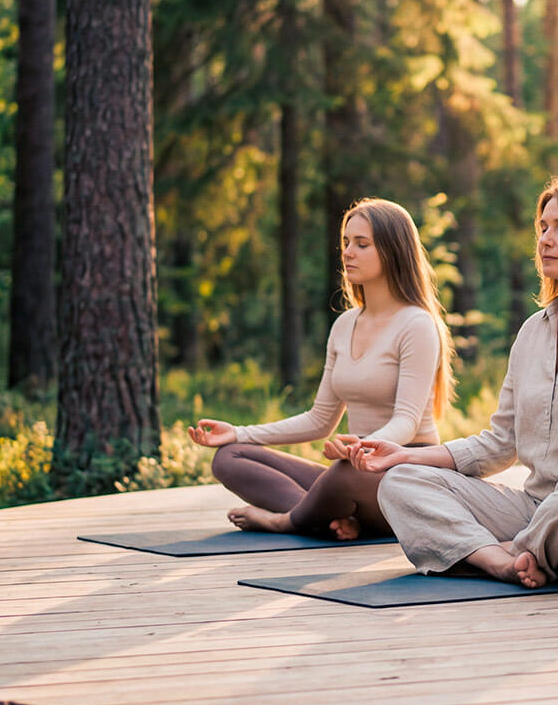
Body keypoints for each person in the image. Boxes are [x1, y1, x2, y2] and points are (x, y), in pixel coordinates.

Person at [349, 175, 558, 589]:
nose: (545, 239)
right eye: (542, 228)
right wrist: (405, 455)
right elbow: (498, 444)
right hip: (538, 508)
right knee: (401, 484)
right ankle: (500, 560)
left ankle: (506, 547)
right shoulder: (532, 332)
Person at [188, 198, 453, 540]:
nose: (347, 253)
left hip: (404, 472)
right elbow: (319, 420)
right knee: (229, 458)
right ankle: (330, 519)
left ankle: (286, 520)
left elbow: (406, 422)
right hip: (353, 469)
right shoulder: (344, 325)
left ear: (392, 251)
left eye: (362, 244)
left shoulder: (416, 324)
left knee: (342, 473)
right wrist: (239, 432)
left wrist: (360, 448)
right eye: (345, 243)